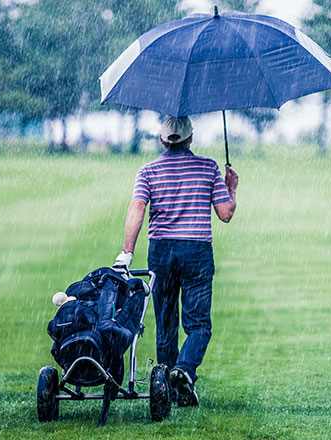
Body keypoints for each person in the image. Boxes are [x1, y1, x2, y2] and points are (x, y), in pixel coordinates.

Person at [114, 115, 238, 407]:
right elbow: (226, 213)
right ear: (190, 138)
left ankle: (166, 385)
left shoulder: (148, 171)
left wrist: (127, 252)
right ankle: (184, 369)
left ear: (162, 140)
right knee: (198, 325)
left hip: (161, 252)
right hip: (196, 251)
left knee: (165, 322)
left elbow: (137, 210)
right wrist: (231, 187)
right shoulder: (208, 168)